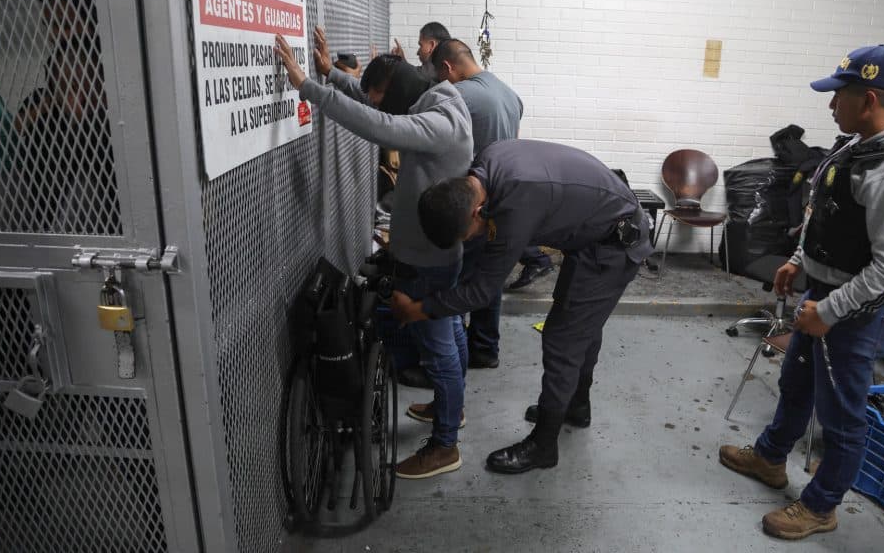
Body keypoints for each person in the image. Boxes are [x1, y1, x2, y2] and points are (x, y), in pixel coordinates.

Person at [719, 45, 884, 540]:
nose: (830, 105)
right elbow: (822, 213)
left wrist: (831, 311)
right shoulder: (855, 147)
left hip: (850, 311)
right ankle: (772, 460)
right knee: (796, 385)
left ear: (870, 99)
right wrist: (798, 262)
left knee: (841, 413)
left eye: (839, 95)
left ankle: (821, 505)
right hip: (819, 292)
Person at [275, 27, 473, 480]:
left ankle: (446, 444)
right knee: (449, 338)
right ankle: (452, 409)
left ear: (399, 89)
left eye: (382, 94)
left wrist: (309, 87)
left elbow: (382, 123)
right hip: (430, 253)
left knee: (439, 346)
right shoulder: (430, 97)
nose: (380, 102)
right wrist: (334, 77)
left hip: (428, 261)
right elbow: (381, 108)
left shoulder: (440, 121)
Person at [391, 139, 653, 474]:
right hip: (597, 229)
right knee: (582, 325)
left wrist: (418, 309)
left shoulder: (514, 207)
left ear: (475, 212)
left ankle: (544, 446)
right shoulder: (485, 167)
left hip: (613, 246)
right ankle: (577, 405)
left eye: (467, 235)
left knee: (563, 339)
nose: (471, 239)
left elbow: (483, 292)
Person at [411, 38, 523, 373]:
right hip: (502, 203)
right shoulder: (509, 94)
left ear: (447, 68)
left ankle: (448, 361)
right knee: (489, 278)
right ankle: (485, 348)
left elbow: (413, 119)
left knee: (458, 281)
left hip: (471, 205)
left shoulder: (459, 95)